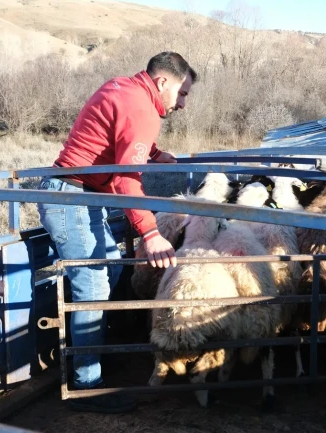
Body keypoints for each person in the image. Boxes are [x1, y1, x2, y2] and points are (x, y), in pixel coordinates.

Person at [37, 51, 196, 413]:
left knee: (108, 269)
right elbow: (126, 179)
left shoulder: (125, 89)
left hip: (79, 193)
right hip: (71, 197)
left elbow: (118, 136)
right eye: (182, 93)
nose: (182, 103)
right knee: (91, 286)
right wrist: (151, 233)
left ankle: (91, 358)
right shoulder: (141, 107)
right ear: (163, 83)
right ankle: (87, 386)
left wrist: (153, 153)